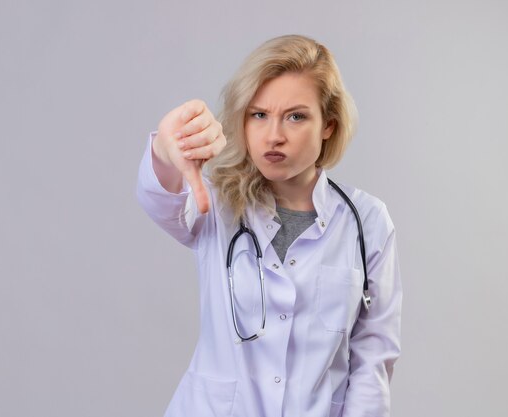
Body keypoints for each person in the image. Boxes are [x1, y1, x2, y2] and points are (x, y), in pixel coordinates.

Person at [136, 34, 402, 417]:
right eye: (258, 114)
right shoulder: (217, 203)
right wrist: (164, 149)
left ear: (328, 124)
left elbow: (373, 358)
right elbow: (161, 200)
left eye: (296, 116)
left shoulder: (368, 221)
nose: (274, 135)